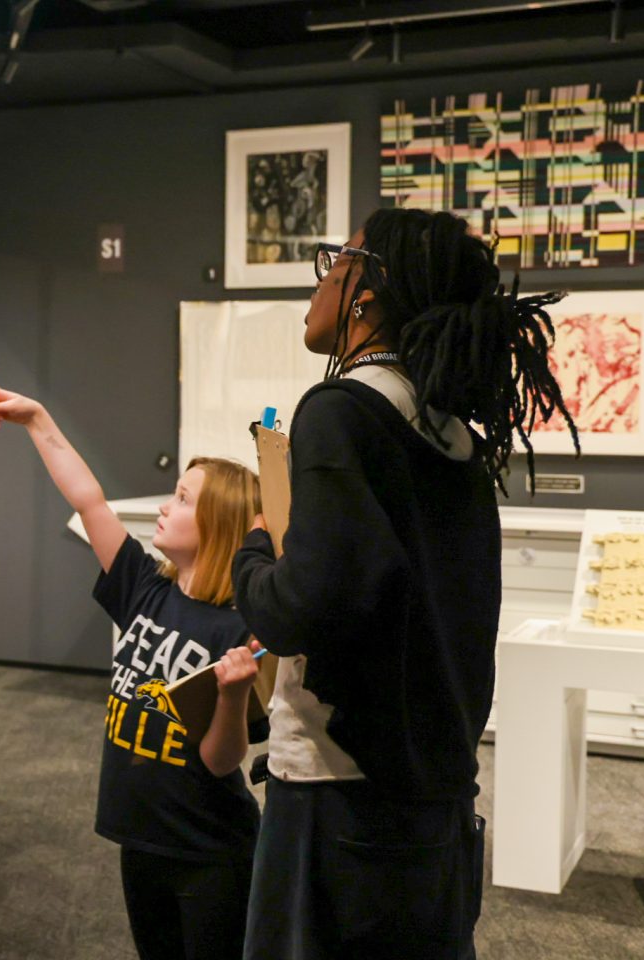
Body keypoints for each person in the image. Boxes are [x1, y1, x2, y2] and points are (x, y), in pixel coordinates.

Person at [231, 207, 577, 960]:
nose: (320, 281)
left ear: (367, 290)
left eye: (335, 261)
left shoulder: (340, 411)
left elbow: (301, 610)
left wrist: (251, 554)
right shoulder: (457, 438)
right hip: (435, 792)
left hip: (336, 791)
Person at [0, 371, 266, 960]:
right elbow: (88, 499)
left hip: (209, 849)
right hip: (141, 838)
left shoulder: (239, 630)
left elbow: (220, 760)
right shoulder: (143, 587)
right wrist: (37, 420)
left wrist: (234, 695)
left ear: (219, 525)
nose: (165, 506)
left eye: (183, 499)